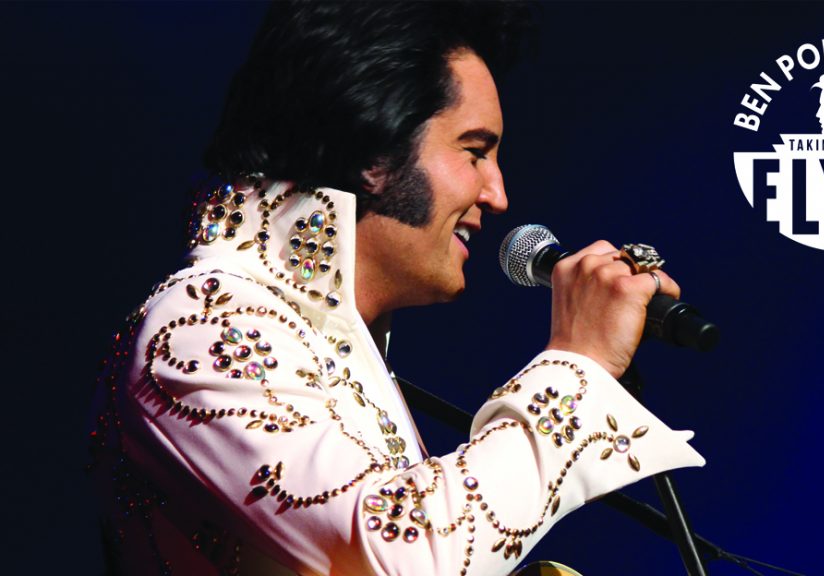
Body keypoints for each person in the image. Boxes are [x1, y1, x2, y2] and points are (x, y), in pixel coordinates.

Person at [90, 3, 704, 575]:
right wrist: (578, 361)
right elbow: (404, 554)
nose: (497, 195)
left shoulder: (311, 340)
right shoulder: (203, 321)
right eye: (474, 152)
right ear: (372, 152)